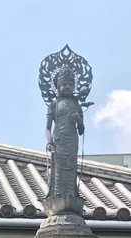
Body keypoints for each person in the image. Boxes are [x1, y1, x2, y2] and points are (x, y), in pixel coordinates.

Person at [44, 66, 84, 202]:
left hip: (72, 138)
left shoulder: (77, 106)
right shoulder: (53, 105)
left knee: (71, 167)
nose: (67, 87)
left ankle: (71, 195)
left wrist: (79, 120)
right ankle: (58, 195)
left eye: (70, 84)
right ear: (58, 86)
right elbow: (48, 128)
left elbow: (81, 130)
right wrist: (49, 142)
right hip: (58, 139)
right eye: (64, 84)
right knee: (59, 168)